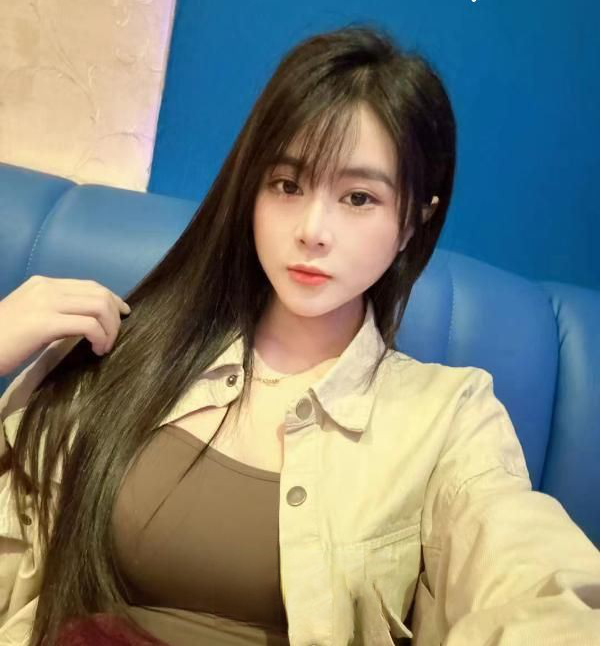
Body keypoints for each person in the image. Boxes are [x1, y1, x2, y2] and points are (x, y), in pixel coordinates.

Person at [1, 23, 599, 646]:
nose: (313, 229)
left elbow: (532, 574)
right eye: (287, 185)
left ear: (412, 223)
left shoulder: (449, 417)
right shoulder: (121, 348)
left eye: (359, 198)